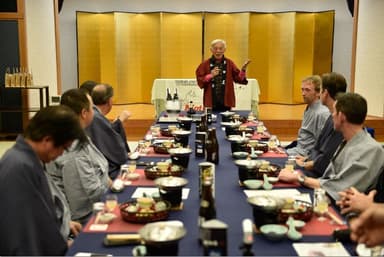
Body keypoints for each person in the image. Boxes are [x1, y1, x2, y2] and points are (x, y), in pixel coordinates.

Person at [0, 105, 87, 255]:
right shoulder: (19, 167)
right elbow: (22, 237)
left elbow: (39, 216)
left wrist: (64, 225)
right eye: (63, 148)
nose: (61, 155)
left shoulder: (26, 159)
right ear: (47, 140)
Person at [278, 93, 384, 201]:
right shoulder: (348, 141)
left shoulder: (371, 150)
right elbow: (329, 179)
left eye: (334, 112)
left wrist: (299, 178)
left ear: (341, 116)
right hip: (326, 193)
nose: (331, 115)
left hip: (343, 209)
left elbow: (339, 188)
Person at [46, 89, 112, 224]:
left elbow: (100, 170)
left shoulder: (76, 133)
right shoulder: (72, 145)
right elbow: (86, 196)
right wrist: (117, 193)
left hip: (96, 201)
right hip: (85, 217)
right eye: (92, 108)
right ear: (84, 113)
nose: (94, 111)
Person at [295, 72, 347, 177]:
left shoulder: (332, 118)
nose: (303, 93)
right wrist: (307, 159)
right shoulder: (331, 115)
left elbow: (326, 159)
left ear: (325, 93)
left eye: (320, 90)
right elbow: (320, 149)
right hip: (313, 162)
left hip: (320, 173)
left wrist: (304, 165)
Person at [86, 83, 130, 179]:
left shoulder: (94, 115)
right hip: (103, 172)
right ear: (110, 101)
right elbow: (117, 151)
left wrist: (117, 122)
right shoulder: (95, 117)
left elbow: (104, 135)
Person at [195, 39, 251, 111]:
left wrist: (243, 70)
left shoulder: (229, 63)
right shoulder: (205, 64)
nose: (218, 51)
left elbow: (239, 78)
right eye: (215, 48)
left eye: (220, 48)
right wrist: (211, 75)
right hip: (211, 99)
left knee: (226, 120)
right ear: (211, 50)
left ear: (224, 50)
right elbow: (200, 79)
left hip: (226, 99)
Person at [286, 75, 330, 156]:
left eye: (307, 90)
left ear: (318, 92)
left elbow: (320, 145)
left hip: (304, 155)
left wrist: (307, 161)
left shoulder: (321, 114)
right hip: (299, 149)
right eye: (302, 90)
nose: (303, 93)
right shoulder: (310, 107)